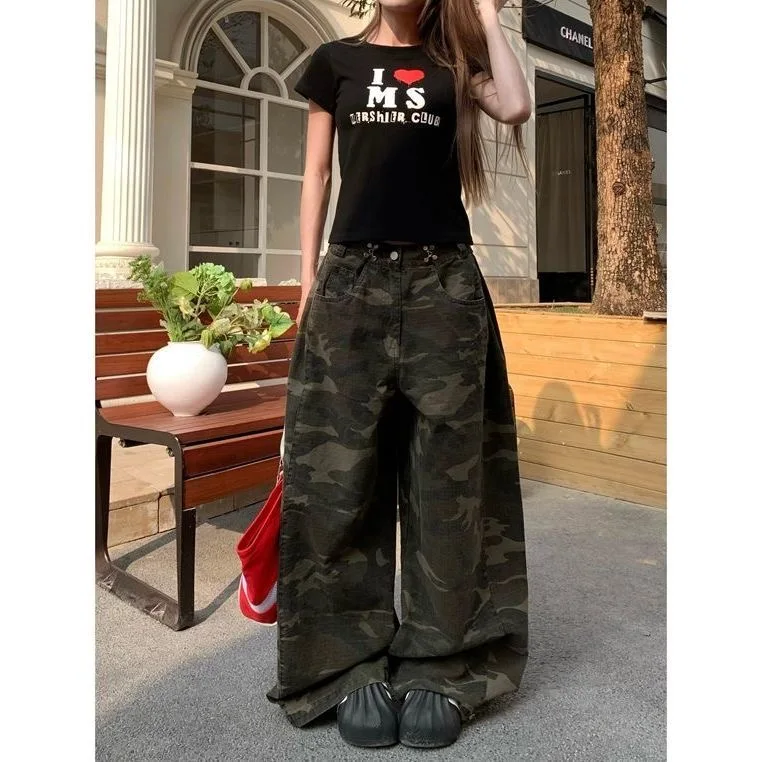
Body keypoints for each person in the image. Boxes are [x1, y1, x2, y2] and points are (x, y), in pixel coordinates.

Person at [265, 0, 532, 749]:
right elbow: (315, 172)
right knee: (338, 475)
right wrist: (307, 275)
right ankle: (343, 662)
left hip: (444, 282)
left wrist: (487, 16)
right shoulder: (335, 62)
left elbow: (515, 106)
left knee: (451, 478)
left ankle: (442, 663)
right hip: (352, 277)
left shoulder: (456, 64)